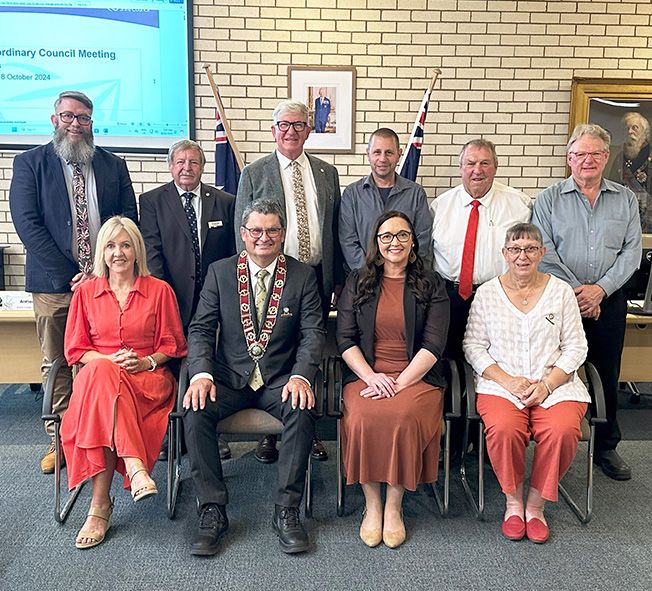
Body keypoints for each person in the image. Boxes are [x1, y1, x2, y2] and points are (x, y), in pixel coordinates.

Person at [183, 199, 325, 556]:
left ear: (283, 233)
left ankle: (287, 510)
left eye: (272, 230)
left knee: (301, 407)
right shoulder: (220, 272)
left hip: (280, 380)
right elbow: (201, 329)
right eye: (256, 230)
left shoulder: (303, 275)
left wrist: (301, 376)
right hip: (229, 379)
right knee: (195, 408)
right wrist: (201, 374)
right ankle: (212, 509)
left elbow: (313, 333)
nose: (264, 237)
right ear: (243, 234)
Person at [9, 90, 137, 474]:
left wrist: (103, 272)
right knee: (58, 362)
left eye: (83, 118)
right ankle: (61, 440)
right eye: (68, 116)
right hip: (54, 286)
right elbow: (28, 225)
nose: (75, 124)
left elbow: (128, 219)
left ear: (92, 123)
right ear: (55, 120)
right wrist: (71, 275)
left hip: (107, 284)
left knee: (102, 360)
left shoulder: (113, 165)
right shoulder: (30, 164)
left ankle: (101, 434)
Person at [60, 216, 187, 549]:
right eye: (111, 246)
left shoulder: (159, 290)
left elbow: (172, 345)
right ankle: (135, 465)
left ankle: (99, 506)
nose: (118, 253)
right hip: (97, 381)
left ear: (137, 251)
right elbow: (76, 350)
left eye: (126, 245)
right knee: (103, 376)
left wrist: (145, 361)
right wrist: (108, 360)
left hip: (147, 381)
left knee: (103, 392)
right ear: (101, 252)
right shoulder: (85, 293)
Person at [463, 223, 591, 544]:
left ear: (542, 253)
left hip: (556, 384)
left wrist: (547, 384)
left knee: (562, 430)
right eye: (515, 249)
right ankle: (513, 503)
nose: (523, 256)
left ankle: (535, 505)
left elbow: (576, 346)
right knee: (504, 429)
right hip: (501, 385)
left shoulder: (561, 292)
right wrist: (507, 381)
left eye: (531, 249)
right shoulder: (487, 293)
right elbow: (473, 346)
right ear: (505, 253)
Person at [532, 123, 642, 481]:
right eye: (580, 154)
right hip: (559, 300)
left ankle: (606, 446)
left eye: (595, 153)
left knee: (607, 372)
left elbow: (631, 253)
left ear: (606, 157)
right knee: (552, 367)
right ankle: (551, 439)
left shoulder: (625, 199)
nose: (587, 160)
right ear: (569, 158)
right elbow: (543, 251)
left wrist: (600, 290)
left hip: (608, 301)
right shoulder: (548, 199)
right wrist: (579, 291)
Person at [235, 99, 342, 463]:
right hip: (270, 274)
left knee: (309, 348)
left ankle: (305, 430)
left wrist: (337, 280)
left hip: (315, 276)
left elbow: (334, 230)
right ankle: (269, 435)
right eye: (284, 125)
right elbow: (242, 232)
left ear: (309, 130)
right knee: (271, 349)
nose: (291, 131)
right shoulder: (254, 172)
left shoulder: (327, 173)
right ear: (273, 130)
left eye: (298, 125)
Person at [336, 211, 449, 549]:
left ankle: (394, 506)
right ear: (377, 242)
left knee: (402, 416)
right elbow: (345, 339)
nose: (394, 242)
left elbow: (434, 344)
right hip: (367, 373)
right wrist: (372, 377)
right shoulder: (358, 281)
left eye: (402, 235)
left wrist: (399, 384)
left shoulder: (431, 283)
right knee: (362, 416)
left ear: (413, 241)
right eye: (386, 236)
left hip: (417, 376)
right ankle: (373, 505)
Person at [140, 140, 235, 461]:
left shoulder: (224, 202)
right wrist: (164, 298)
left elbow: (231, 255)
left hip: (215, 302)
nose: (186, 168)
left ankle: (211, 432)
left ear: (202, 167)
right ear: (170, 166)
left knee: (211, 364)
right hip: (170, 301)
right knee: (171, 366)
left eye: (193, 162)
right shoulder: (152, 201)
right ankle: (172, 431)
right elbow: (151, 253)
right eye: (180, 162)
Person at [431, 138, 532, 360]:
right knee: (447, 359)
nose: (477, 170)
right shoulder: (440, 206)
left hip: (499, 297)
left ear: (495, 167)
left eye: (485, 163)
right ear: (461, 168)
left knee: (494, 359)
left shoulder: (519, 205)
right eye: (471, 163)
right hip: (448, 297)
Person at [339, 128, 433, 273]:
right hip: (363, 279)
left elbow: (423, 240)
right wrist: (370, 274)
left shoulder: (415, 194)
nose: (382, 159)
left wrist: (400, 274)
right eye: (377, 152)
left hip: (406, 279)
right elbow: (348, 241)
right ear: (368, 154)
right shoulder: (352, 194)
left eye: (389, 152)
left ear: (399, 154)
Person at [605, 112, 652, 232]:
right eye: (627, 128)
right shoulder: (619, 158)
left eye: (635, 127)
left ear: (645, 132)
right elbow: (611, 188)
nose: (630, 131)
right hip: (623, 218)